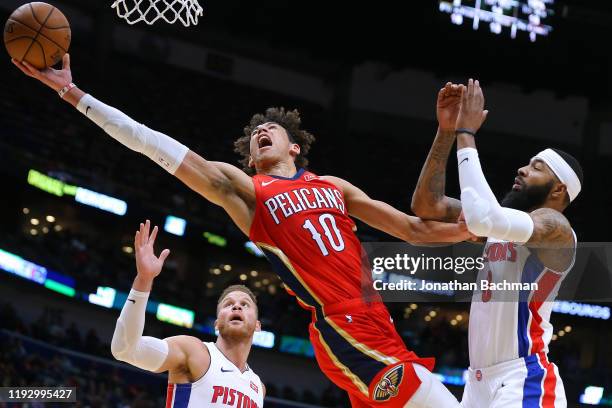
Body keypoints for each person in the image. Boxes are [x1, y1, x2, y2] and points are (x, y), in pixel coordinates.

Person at [13, 55, 472, 407]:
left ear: (295, 146)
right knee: (432, 397)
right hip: (338, 322)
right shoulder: (248, 191)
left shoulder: (333, 187)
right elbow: (155, 145)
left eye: (272, 128)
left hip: (377, 317)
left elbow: (414, 227)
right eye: (255, 136)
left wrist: (463, 220)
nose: (262, 132)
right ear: (251, 158)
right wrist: (72, 92)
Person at [411, 80, 581, 407]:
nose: (522, 168)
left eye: (537, 167)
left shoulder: (556, 229)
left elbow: (482, 218)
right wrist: (446, 131)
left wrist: (466, 133)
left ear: (558, 190)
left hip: (524, 378)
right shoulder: (501, 222)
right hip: (477, 382)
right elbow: (426, 206)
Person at [111, 220, 264, 407]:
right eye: (228, 304)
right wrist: (143, 280)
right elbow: (125, 350)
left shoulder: (258, 387)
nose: (236, 307)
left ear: (257, 325)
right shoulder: (193, 351)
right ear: (216, 323)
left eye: (245, 304)